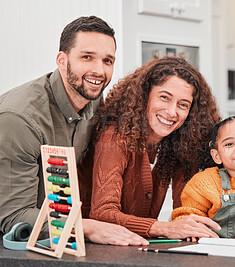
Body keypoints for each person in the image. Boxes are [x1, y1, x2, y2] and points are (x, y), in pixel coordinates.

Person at [0, 16, 147, 246]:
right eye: (87, 57)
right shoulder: (19, 119)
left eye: (108, 61)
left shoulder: (94, 100)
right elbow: (13, 218)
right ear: (61, 60)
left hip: (58, 240)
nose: (99, 70)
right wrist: (85, 226)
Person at [89, 56, 222, 240]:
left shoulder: (180, 144)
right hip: (97, 250)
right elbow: (102, 214)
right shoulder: (115, 135)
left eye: (183, 105)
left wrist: (192, 227)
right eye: (164, 98)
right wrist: (167, 228)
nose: (172, 112)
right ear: (145, 95)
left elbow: (186, 208)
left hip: (139, 248)